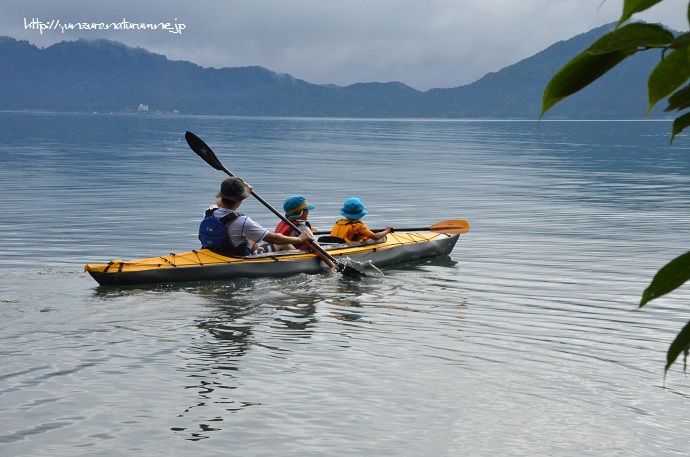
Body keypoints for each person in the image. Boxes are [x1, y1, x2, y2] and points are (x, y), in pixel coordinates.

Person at [203, 177, 313, 256]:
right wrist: (299, 239)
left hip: (216, 252)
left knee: (253, 237)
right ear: (240, 199)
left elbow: (219, 203)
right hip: (237, 257)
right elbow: (275, 239)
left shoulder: (209, 212)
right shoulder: (242, 222)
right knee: (285, 243)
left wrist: (242, 190)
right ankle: (301, 261)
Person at [275, 195, 336, 272]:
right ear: (300, 212)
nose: (308, 212)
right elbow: (317, 249)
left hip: (279, 255)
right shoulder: (303, 228)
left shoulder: (284, 223)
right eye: (306, 209)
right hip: (293, 260)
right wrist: (332, 265)